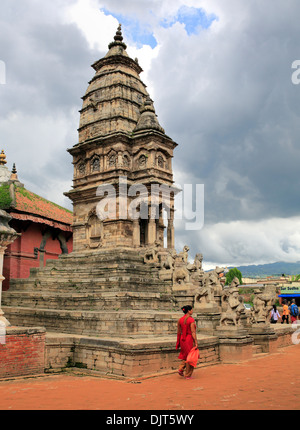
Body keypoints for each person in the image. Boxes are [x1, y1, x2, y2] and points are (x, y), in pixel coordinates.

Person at [176, 305, 198, 379]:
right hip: (189, 339)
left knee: (185, 355)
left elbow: (179, 332)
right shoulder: (191, 320)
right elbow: (193, 332)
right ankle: (188, 374)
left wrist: (178, 342)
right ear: (189, 311)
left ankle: (181, 368)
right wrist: (196, 341)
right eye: (191, 310)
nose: (192, 311)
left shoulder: (180, 320)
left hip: (182, 339)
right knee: (190, 356)